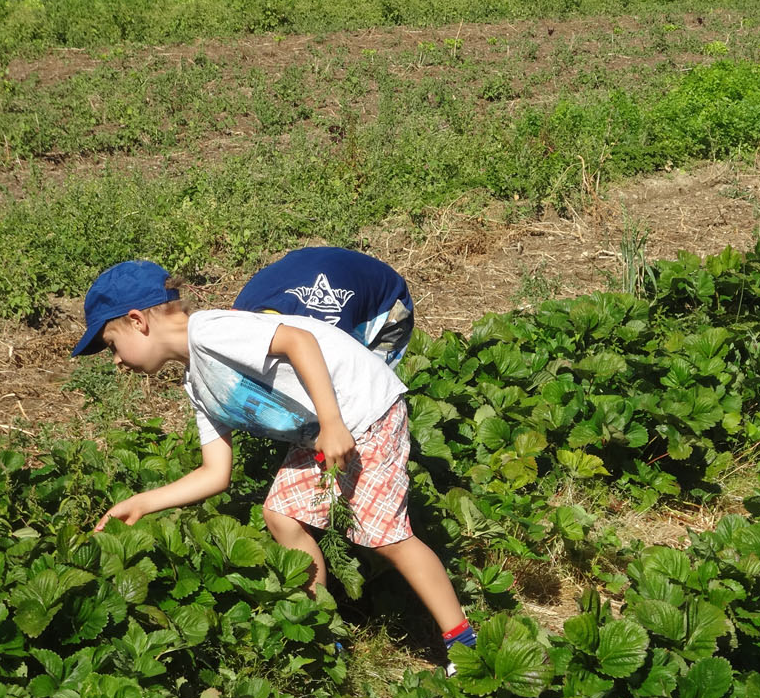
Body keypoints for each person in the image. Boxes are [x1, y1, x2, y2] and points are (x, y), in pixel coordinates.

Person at [72, 260, 476, 664]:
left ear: (137, 320)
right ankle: (324, 629)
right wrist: (142, 503)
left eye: (111, 346)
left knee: (385, 535)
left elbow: (298, 340)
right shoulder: (197, 384)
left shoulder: (212, 330)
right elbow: (216, 473)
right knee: (281, 515)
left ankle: (462, 641)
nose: (116, 361)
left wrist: (333, 423)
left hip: (363, 409)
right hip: (322, 426)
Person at [234, 246, 414, 369]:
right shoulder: (238, 317)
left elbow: (338, 376)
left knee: (362, 393)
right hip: (315, 268)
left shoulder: (329, 335)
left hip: (389, 304)